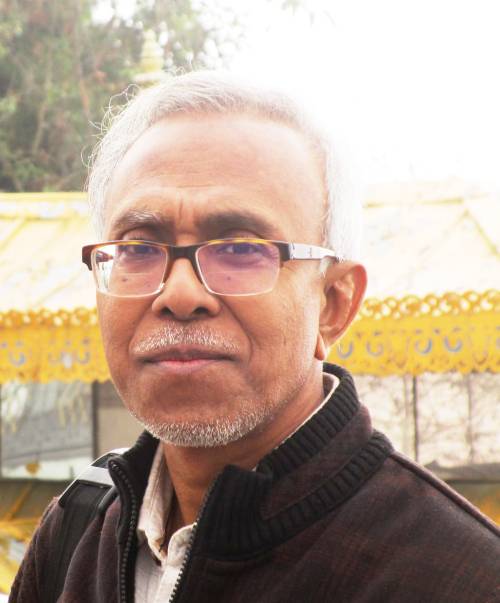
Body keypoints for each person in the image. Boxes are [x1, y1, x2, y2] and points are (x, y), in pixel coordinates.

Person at [10, 71, 499, 603]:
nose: (179, 293)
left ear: (333, 303)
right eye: (138, 248)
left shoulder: (455, 575)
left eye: (241, 249)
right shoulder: (78, 530)